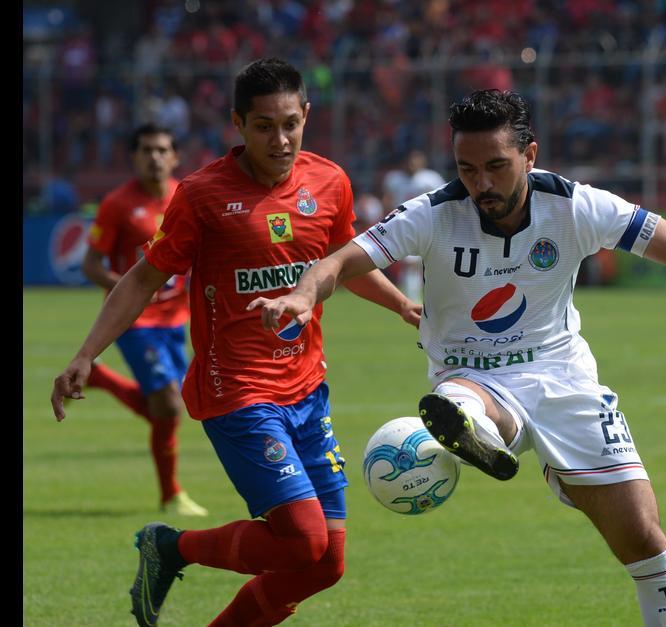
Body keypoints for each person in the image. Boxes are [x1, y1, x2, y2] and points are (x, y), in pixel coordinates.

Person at [252, 90, 666, 626]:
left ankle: (482, 433)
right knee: (458, 399)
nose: (480, 183)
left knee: (645, 542)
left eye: (496, 166)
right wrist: (303, 294)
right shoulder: (433, 212)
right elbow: (340, 261)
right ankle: (473, 430)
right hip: (470, 373)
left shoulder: (576, 206)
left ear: (529, 155)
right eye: (467, 169)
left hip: (563, 377)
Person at [51, 58, 421, 626]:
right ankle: (171, 546)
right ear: (238, 124)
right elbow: (143, 278)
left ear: (307, 116)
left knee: (326, 563)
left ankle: (175, 558)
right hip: (238, 393)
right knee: (303, 541)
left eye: (290, 124)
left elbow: (344, 263)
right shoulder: (202, 195)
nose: (281, 140)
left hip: (308, 390)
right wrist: (86, 354)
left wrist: (401, 305)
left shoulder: (329, 182)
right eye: (264, 126)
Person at [81, 123, 208, 517]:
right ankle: (171, 495)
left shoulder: (185, 196)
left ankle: (100, 378)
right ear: (134, 157)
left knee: (170, 405)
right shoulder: (117, 204)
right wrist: (125, 286)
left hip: (176, 318)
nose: (155, 157)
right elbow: (91, 264)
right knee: (168, 405)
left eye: (162, 150)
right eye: (147, 150)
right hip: (133, 320)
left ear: (175, 157)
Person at [380, 149, 446, 301]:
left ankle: (418, 298)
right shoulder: (394, 179)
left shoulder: (431, 178)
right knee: (410, 264)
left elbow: (443, 200)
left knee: (425, 264)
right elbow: (387, 200)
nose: (412, 164)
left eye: (416, 160)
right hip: (403, 225)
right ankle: (412, 299)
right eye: (410, 160)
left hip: (427, 225)